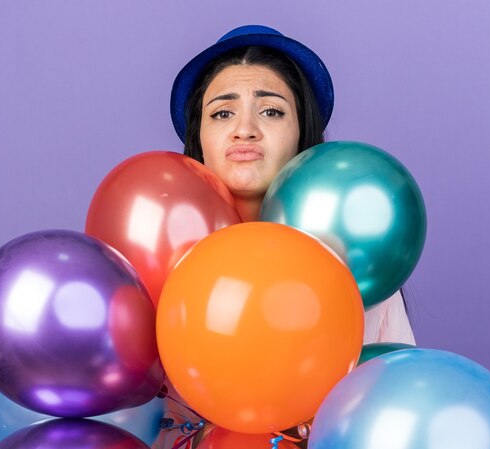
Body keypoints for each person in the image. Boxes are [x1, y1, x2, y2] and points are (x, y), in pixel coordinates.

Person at [154, 25, 415, 449]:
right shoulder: (154, 260)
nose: (245, 130)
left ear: (301, 134)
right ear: (198, 139)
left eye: (271, 111)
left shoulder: (361, 270)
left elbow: (399, 415)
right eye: (222, 113)